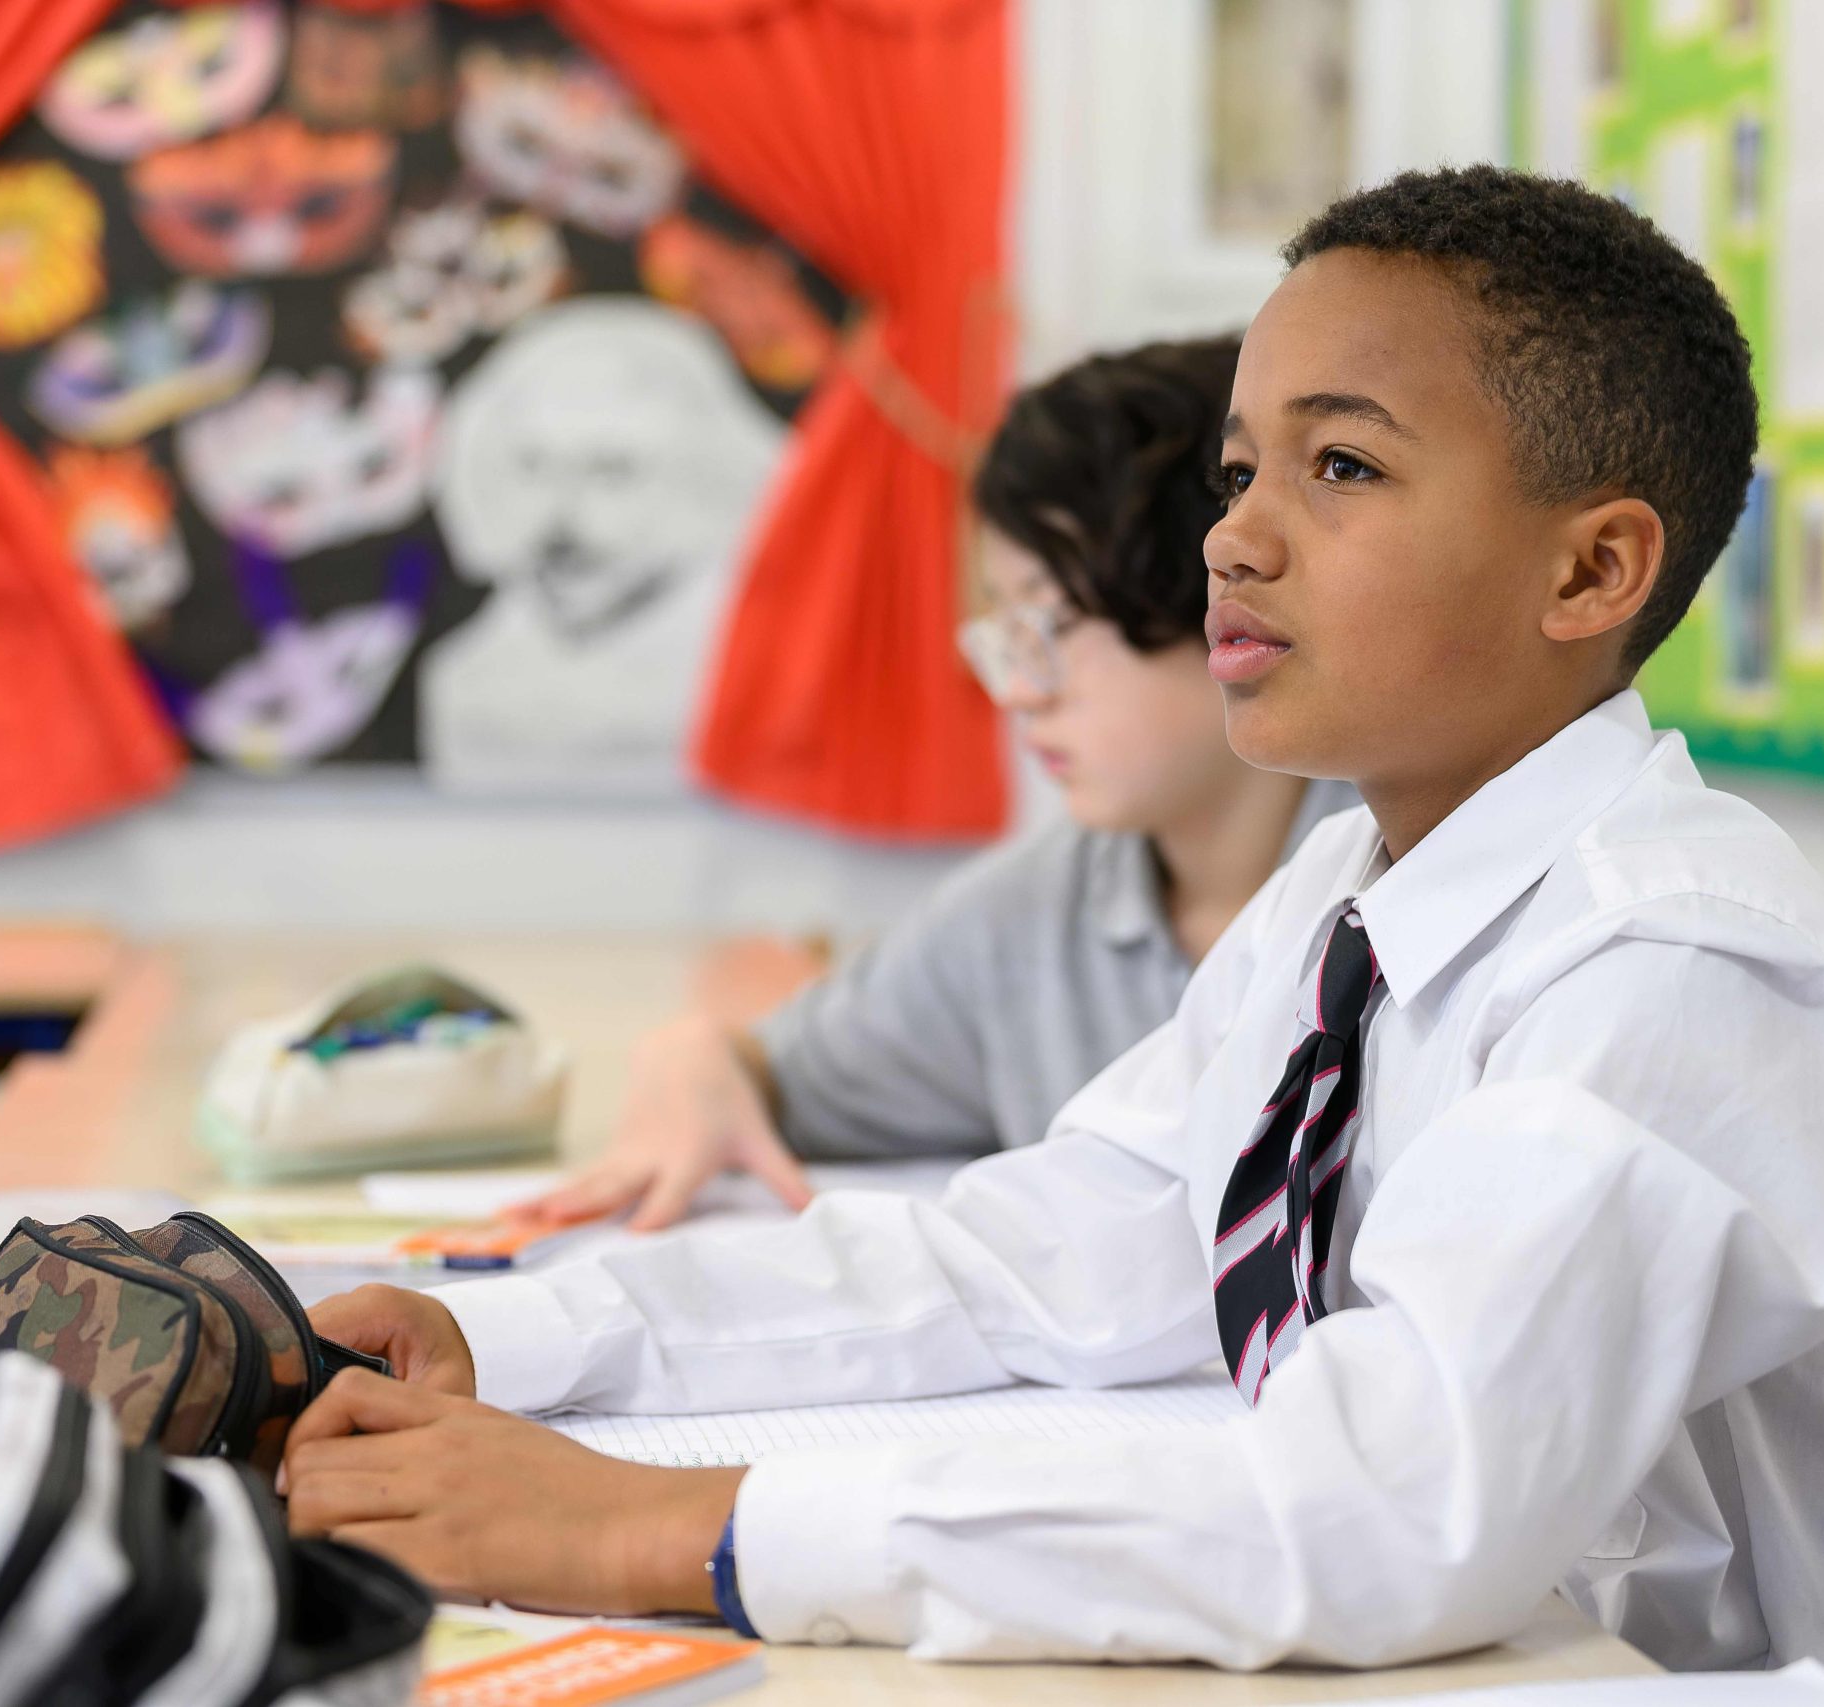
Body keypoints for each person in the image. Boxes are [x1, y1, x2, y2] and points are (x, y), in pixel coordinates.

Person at [289, 166, 1824, 1707]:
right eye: (1242, 467)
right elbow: (1037, 1260)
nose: (1233, 537)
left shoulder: (1668, 974)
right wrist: (518, 1343)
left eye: (1343, 465)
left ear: (1594, 569)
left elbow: (1379, 1521)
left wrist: (661, 1532)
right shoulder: (1350, 904)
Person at [511, 333, 1350, 1227]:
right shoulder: (1020, 920)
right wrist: (695, 1060)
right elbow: (759, 1069)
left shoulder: (1411, 868)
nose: (1019, 690)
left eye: (1053, 622)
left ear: (1231, 592)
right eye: (1002, 631)